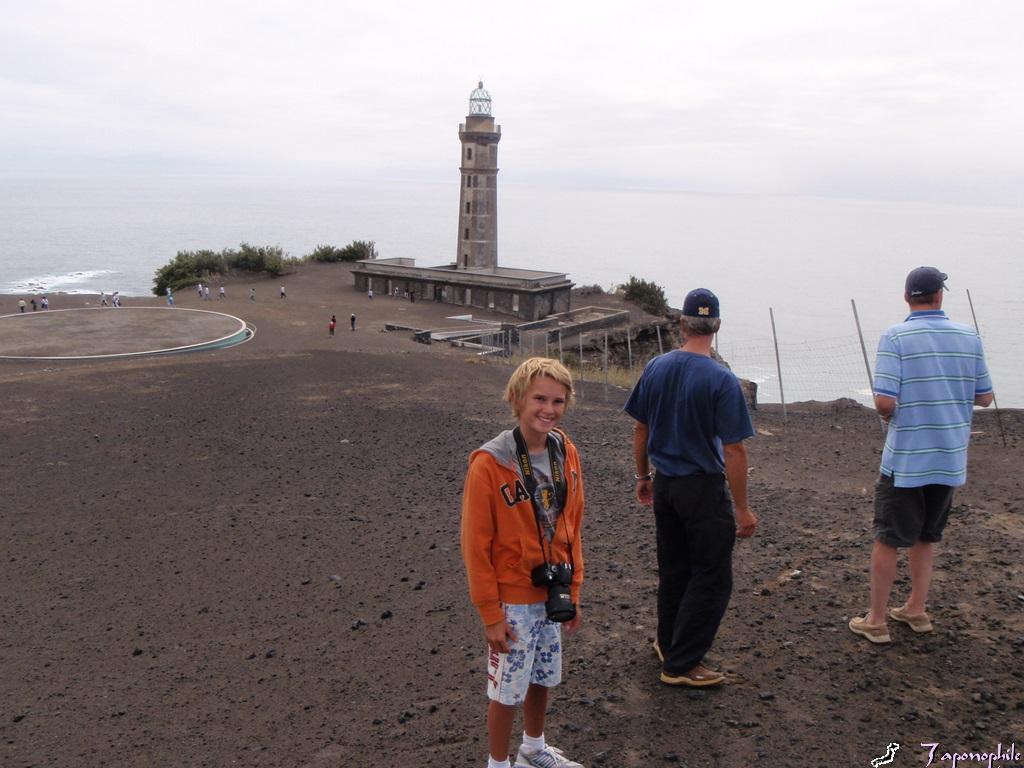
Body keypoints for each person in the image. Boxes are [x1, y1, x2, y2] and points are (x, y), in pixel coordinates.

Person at [849, 267, 994, 644]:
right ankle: (916, 608)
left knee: (888, 537)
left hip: (907, 458)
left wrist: (898, 410)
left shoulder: (895, 337)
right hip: (949, 456)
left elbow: (884, 402)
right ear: (939, 295)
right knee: (926, 537)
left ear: (906, 297)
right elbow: (984, 397)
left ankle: (876, 620)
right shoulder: (969, 336)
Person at [624, 288, 756, 687]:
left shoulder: (656, 366)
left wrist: (643, 477)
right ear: (717, 326)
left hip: (665, 486)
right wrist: (742, 508)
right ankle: (682, 664)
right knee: (712, 576)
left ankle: (668, 644)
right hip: (702, 488)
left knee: (675, 568)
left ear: (682, 324)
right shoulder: (721, 378)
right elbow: (733, 449)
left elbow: (641, 428)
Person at [461, 358, 585, 768]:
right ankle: (497, 764)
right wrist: (490, 613)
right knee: (505, 689)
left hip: (552, 590)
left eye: (558, 401)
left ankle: (533, 748)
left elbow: (574, 525)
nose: (548, 410)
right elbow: (475, 545)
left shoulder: (566, 451)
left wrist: (573, 590)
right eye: (539, 399)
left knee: (542, 675)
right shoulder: (489, 463)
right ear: (517, 399)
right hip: (512, 600)